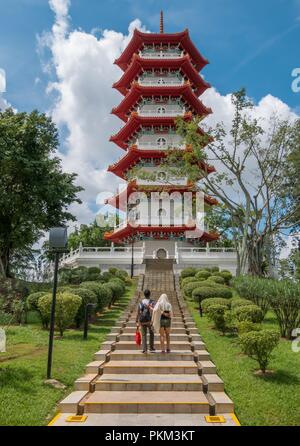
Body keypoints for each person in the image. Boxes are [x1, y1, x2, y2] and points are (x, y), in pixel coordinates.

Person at [136, 289, 155, 353]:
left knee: (144, 335)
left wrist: (137, 321)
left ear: (144, 295)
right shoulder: (152, 302)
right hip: (150, 321)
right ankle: (151, 348)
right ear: (149, 294)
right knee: (151, 333)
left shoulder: (141, 302)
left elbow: (138, 312)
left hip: (142, 321)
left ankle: (144, 349)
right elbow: (154, 311)